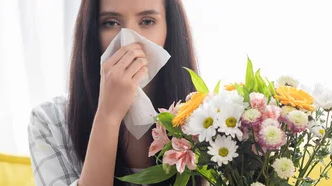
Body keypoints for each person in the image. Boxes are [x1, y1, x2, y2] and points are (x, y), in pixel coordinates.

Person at [28, 0, 203, 185]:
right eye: (111, 23)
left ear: (170, 28)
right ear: (92, 32)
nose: (129, 40)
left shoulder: (207, 119)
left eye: (147, 21)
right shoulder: (50, 121)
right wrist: (108, 115)